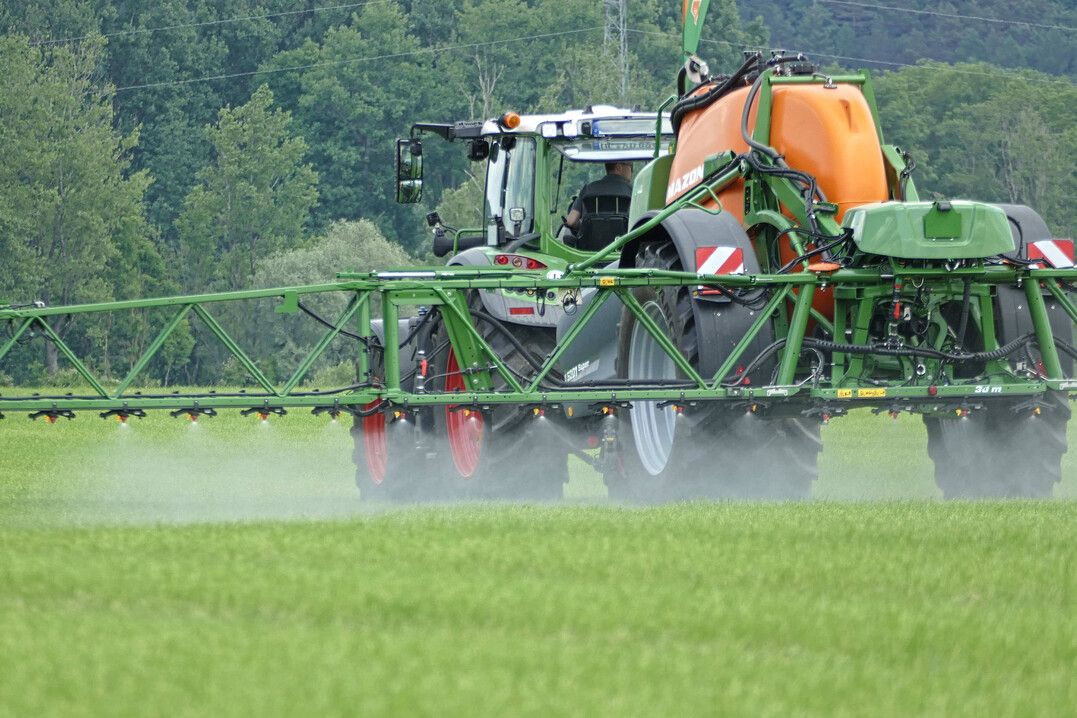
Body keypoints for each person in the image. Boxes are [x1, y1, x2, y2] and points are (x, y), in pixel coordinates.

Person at [564, 161, 634, 231]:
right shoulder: (633, 191)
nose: (632, 171)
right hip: (624, 241)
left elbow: (571, 221)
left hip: (590, 241)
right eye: (631, 166)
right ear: (619, 167)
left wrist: (584, 228)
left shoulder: (587, 189)